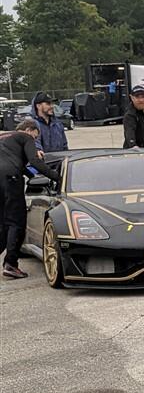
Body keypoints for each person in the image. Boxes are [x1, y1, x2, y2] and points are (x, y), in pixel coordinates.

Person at [0, 119, 60, 278]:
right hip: (10, 178)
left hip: (4, 175)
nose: (35, 140)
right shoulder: (25, 137)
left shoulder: (5, 136)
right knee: (16, 222)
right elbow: (34, 161)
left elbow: (15, 161)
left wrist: (32, 176)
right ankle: (11, 264)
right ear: (29, 129)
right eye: (35, 137)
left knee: (2, 223)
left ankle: (9, 261)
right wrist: (56, 177)